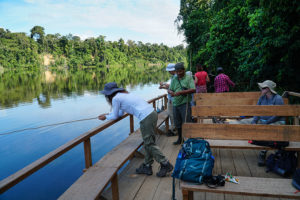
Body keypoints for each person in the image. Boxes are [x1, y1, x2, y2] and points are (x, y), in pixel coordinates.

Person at [98, 82, 173, 177]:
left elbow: (115, 115)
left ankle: (165, 164)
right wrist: (108, 115)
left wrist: (105, 117)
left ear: (108, 94)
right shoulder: (124, 94)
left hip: (146, 117)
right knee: (148, 142)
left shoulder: (116, 99)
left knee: (149, 143)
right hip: (152, 113)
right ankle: (147, 165)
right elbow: (120, 113)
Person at [228, 80, 285, 166]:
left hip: (276, 122)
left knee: (266, 130)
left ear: (269, 89)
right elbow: (257, 112)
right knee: (244, 121)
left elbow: (277, 115)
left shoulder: (278, 98)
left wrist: (266, 123)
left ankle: (263, 152)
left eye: (263, 87)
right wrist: (254, 121)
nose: (261, 89)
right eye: (262, 87)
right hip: (262, 121)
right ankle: (225, 125)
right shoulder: (262, 98)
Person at [168, 62, 196, 145]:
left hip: (185, 103)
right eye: (177, 72)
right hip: (175, 104)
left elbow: (193, 89)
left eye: (180, 71)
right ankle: (180, 139)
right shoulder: (174, 79)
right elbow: (170, 89)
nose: (179, 73)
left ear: (184, 70)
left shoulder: (189, 78)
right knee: (178, 123)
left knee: (187, 122)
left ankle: (189, 141)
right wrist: (170, 92)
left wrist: (182, 92)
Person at [159, 63, 177, 136]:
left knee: (171, 114)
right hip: (172, 98)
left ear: (173, 70)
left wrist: (163, 85)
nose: (169, 72)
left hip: (173, 99)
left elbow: (171, 87)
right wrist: (163, 87)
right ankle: (174, 129)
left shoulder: (175, 77)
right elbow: (170, 87)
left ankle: (174, 130)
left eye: (170, 71)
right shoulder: (174, 77)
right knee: (172, 115)